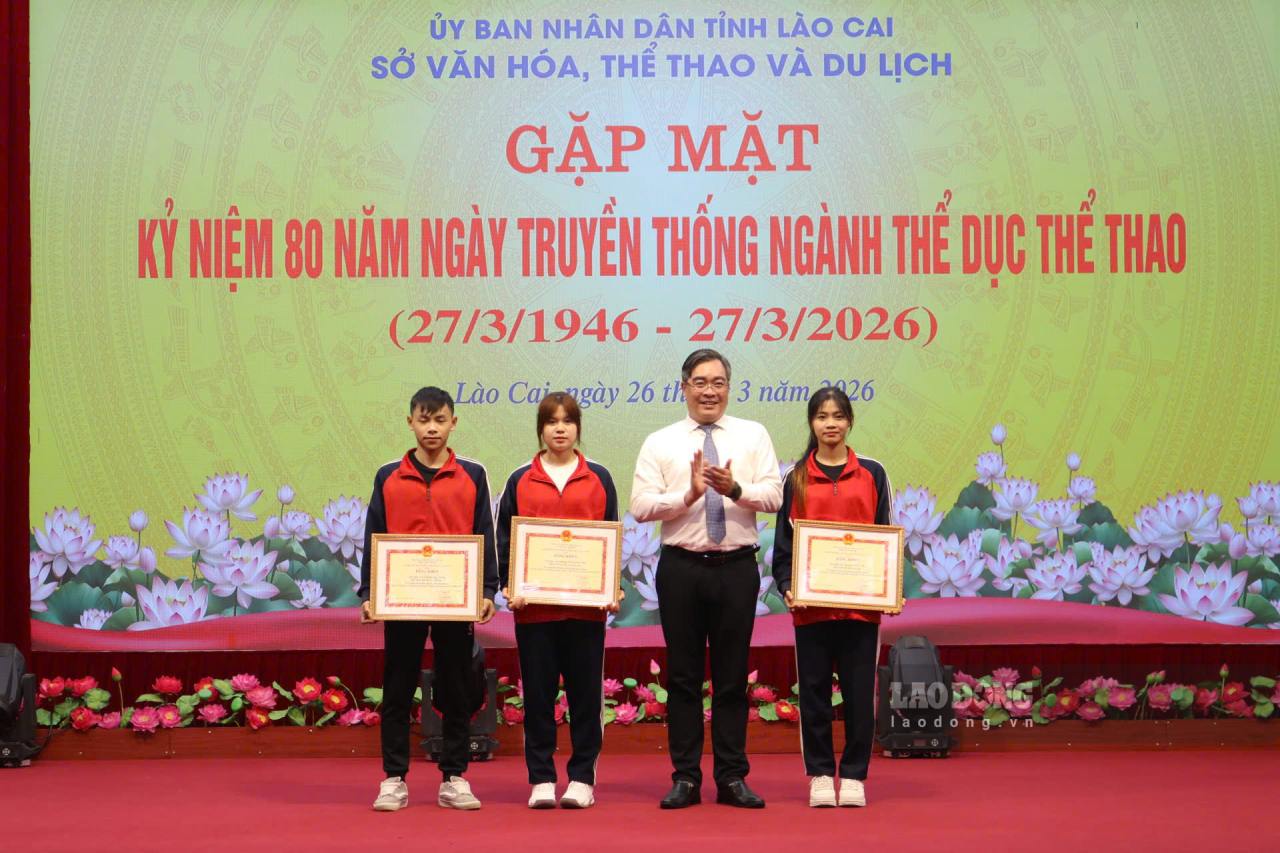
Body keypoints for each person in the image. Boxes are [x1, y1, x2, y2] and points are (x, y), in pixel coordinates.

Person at [630, 349, 783, 809]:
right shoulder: (661, 442)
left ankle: (733, 777)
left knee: (733, 678)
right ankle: (686, 778)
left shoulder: (753, 435)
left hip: (736, 568)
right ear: (684, 387)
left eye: (718, 381)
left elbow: (775, 495)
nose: (709, 390)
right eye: (700, 382)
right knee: (683, 677)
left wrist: (735, 490)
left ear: (728, 386)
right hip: (682, 569)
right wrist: (689, 494)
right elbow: (640, 506)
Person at [358, 386, 498, 812]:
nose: (432, 428)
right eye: (424, 419)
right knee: (398, 687)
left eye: (440, 420)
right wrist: (369, 592)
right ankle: (393, 778)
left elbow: (483, 532)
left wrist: (488, 589)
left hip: (455, 600)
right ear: (410, 423)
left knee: (455, 688)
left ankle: (454, 777)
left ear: (453, 422)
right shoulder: (388, 475)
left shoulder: (473, 474)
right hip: (402, 600)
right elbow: (373, 533)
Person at [771, 386, 894, 808]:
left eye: (838, 416)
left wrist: (888, 588)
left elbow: (886, 538)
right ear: (811, 423)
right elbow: (783, 548)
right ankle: (821, 774)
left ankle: (856, 775)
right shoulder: (796, 478)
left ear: (850, 422)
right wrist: (788, 587)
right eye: (822, 416)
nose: (830, 424)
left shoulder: (873, 473)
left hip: (862, 611)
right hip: (811, 611)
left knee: (861, 696)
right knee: (815, 695)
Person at [496, 392, 620, 810]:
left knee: (586, 697)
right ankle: (542, 779)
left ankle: (582, 777)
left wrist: (610, 586)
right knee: (538, 696)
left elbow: (610, 538)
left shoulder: (599, 477)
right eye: (552, 422)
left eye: (568, 421)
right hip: (535, 613)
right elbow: (504, 541)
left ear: (579, 428)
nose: (561, 429)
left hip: (586, 612)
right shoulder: (519, 480)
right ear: (541, 429)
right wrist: (512, 587)